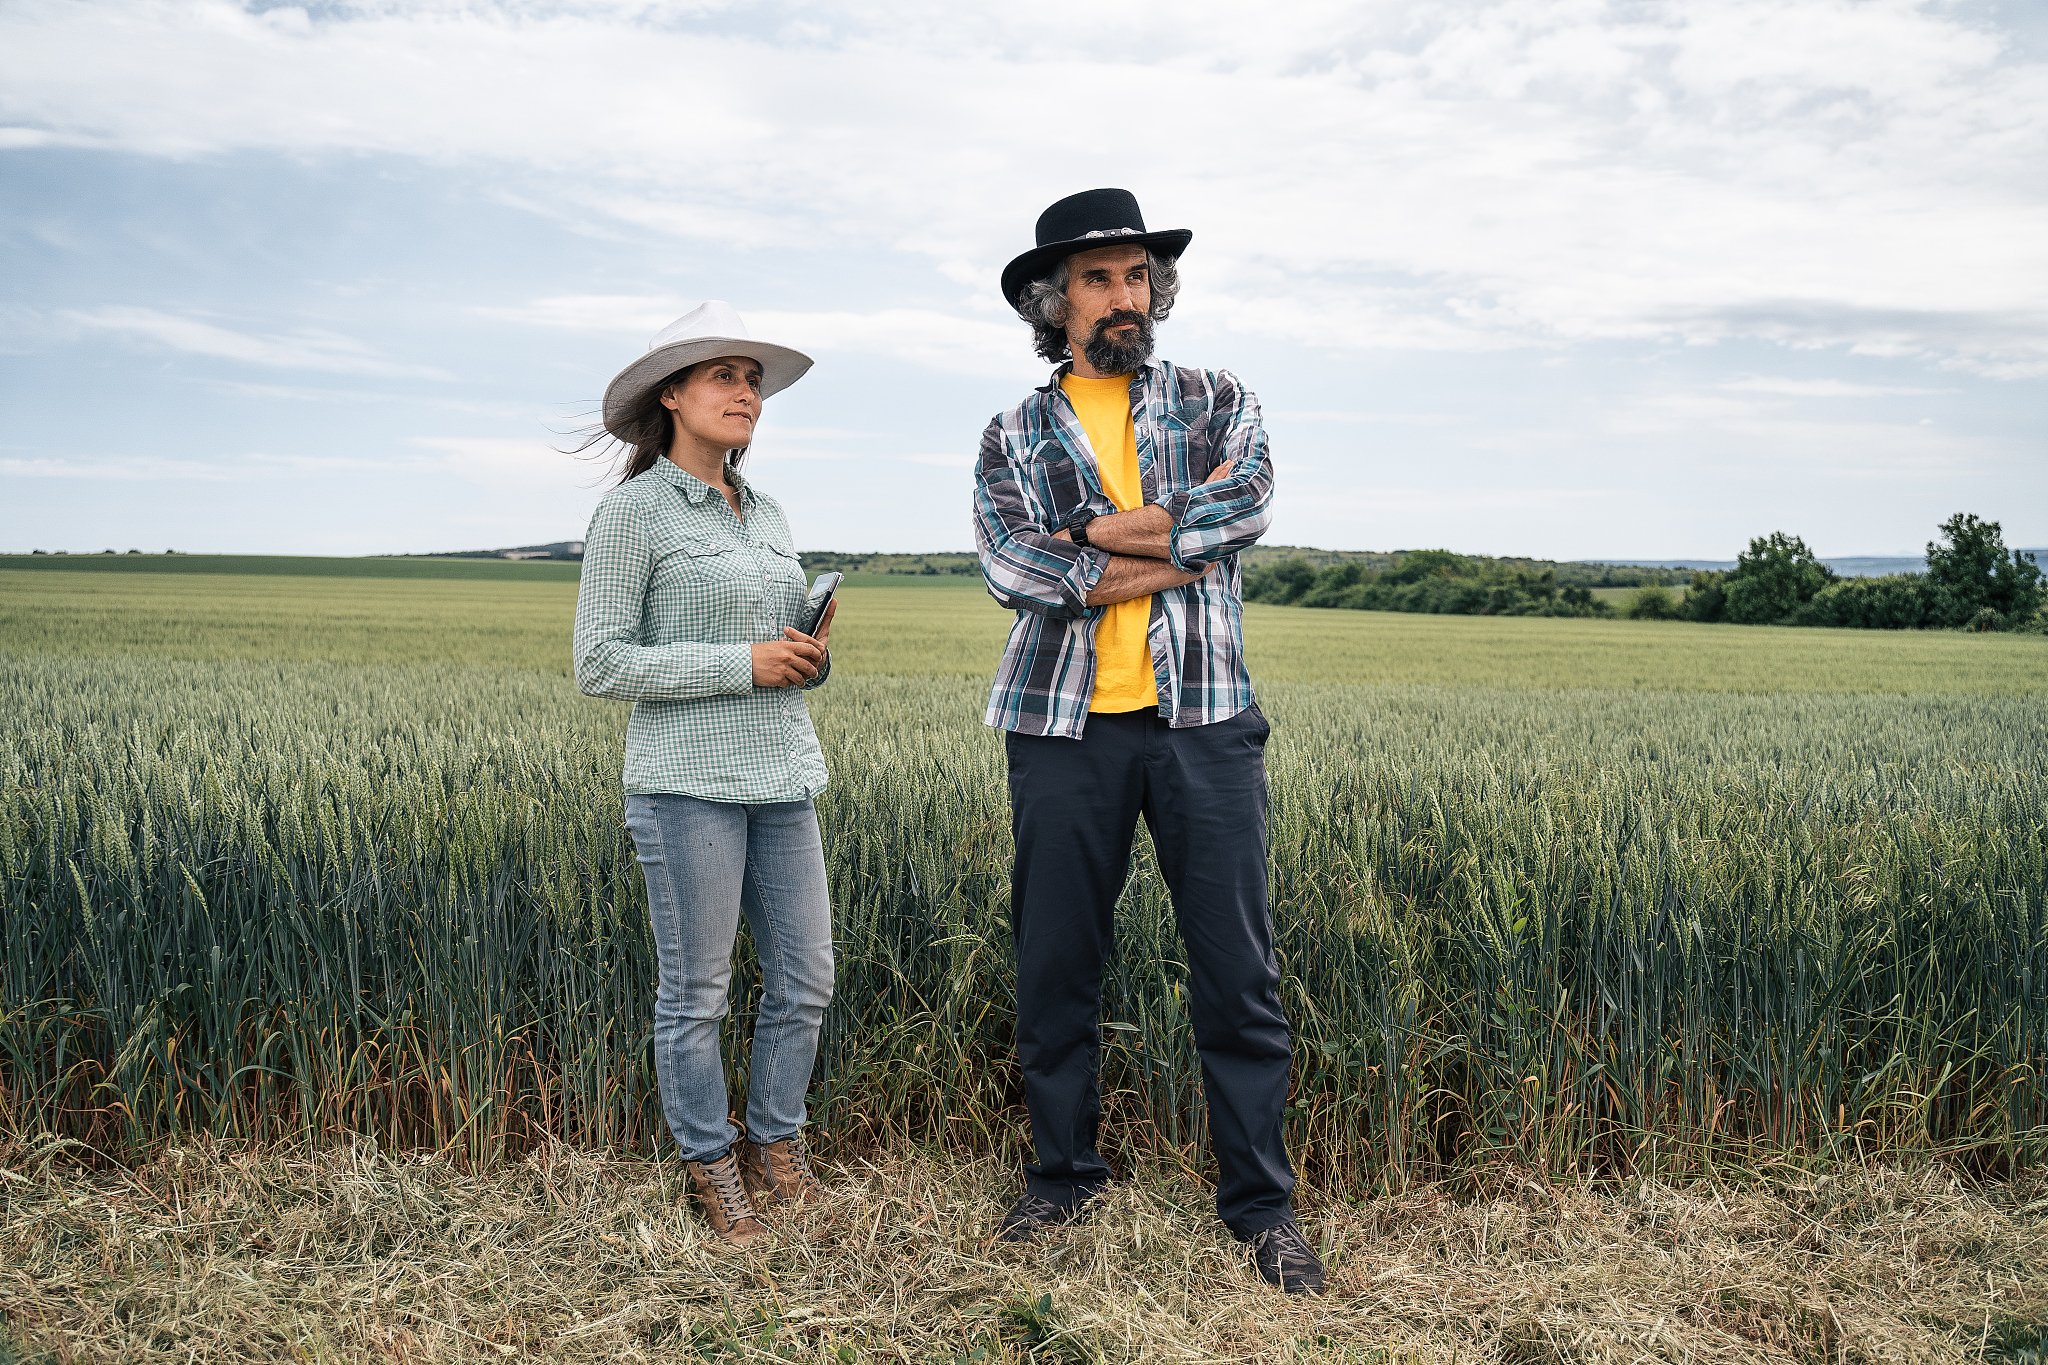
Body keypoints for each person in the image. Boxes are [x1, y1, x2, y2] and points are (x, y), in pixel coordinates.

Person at [972, 189, 1324, 1293]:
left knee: (1236, 973)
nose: (1123, 297)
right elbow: (1013, 571)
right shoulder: (1012, 434)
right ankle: (1063, 1175)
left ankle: (1259, 1207)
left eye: (1136, 276)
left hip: (1203, 722)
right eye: (1095, 279)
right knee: (1056, 965)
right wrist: (1148, 548)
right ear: (1052, 301)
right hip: (1062, 728)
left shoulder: (1219, 399)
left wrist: (1080, 541)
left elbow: (1246, 506)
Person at [574, 301, 838, 1248]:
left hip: (782, 774)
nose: (746, 393)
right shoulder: (632, 513)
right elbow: (600, 661)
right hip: (686, 785)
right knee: (698, 993)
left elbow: (780, 650)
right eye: (724, 376)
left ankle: (777, 1144)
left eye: (753, 379)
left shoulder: (766, 511)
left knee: (807, 978)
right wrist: (744, 661)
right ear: (673, 395)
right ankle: (711, 1164)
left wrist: (804, 653)